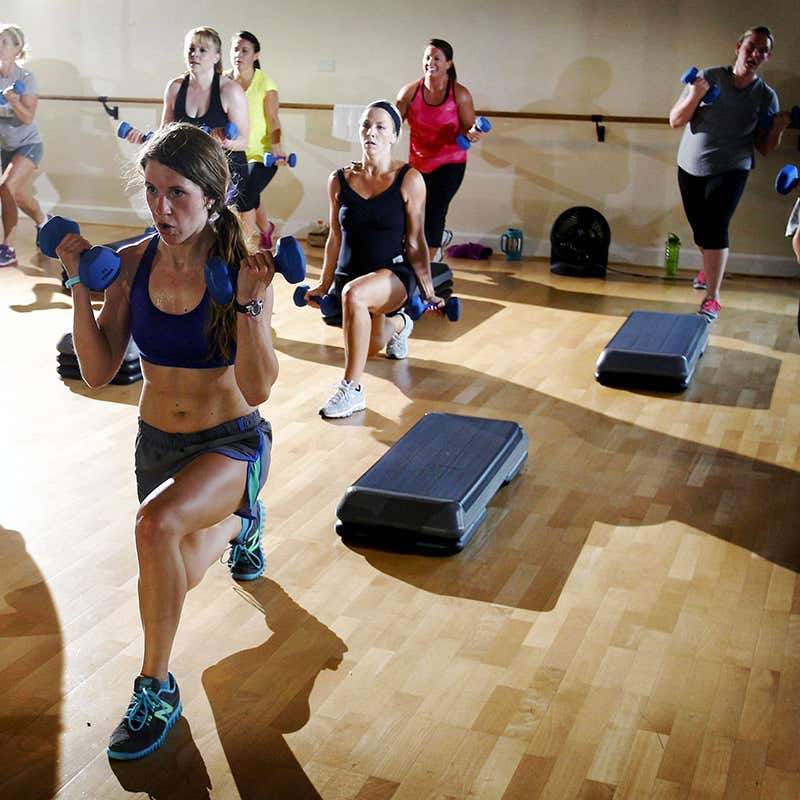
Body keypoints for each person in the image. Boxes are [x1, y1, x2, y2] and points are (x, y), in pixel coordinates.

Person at [56, 122, 278, 759]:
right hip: (157, 445)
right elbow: (99, 371)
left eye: (176, 193)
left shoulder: (241, 269)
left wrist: (251, 305)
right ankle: (240, 528)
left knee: (154, 530)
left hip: (231, 442)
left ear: (212, 195)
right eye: (151, 192)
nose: (160, 208)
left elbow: (259, 388)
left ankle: (155, 686)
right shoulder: (130, 265)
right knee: (173, 565)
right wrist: (78, 284)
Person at [303, 101, 442, 419]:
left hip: (393, 273)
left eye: (380, 127)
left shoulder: (409, 179)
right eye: (366, 125)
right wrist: (324, 285)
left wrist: (428, 291)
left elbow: (416, 240)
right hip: (350, 274)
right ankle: (399, 324)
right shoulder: (338, 180)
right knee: (368, 343)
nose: (371, 132)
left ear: (395, 135)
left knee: (356, 294)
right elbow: (335, 236)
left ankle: (352, 390)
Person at [669, 26, 790, 321]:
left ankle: (712, 298)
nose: (756, 54)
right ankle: (709, 269)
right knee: (701, 229)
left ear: (768, 57)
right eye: (752, 47)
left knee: (716, 226)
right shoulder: (710, 77)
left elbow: (763, 147)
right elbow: (675, 120)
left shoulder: (765, 96)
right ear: (739, 47)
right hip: (690, 164)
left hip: (733, 166)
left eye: (763, 51)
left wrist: (777, 127)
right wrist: (696, 94)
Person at [124, 27, 250, 214]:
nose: (195, 55)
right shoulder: (175, 88)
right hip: (189, 171)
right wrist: (144, 140)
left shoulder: (230, 90)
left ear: (216, 57)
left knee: (216, 229)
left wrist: (224, 140)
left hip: (224, 171)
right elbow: (165, 135)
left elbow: (244, 141)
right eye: (191, 49)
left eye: (202, 50)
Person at [396, 38, 482, 262]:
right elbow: (393, 124)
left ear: (449, 64)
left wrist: (471, 134)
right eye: (427, 57)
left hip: (450, 162)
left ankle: (427, 264)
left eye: (437, 58)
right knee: (411, 212)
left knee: (434, 211)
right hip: (418, 162)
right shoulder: (409, 92)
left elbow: (468, 128)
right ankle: (425, 249)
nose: (430, 62)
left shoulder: (460, 94)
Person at [226, 30, 287, 249]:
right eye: (235, 49)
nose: (238, 54)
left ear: (255, 55)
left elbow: (273, 119)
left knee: (244, 197)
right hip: (234, 151)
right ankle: (266, 228)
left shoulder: (265, 83)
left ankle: (241, 248)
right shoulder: (223, 81)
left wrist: (278, 148)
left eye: (245, 50)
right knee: (250, 195)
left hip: (263, 154)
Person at [0, 24, 46, 267]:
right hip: (6, 147)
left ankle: (7, 247)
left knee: (5, 187)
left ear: (17, 49)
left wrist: (13, 100)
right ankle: (43, 220)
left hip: (29, 144)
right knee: (17, 195)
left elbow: (27, 117)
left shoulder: (26, 77)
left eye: (4, 42)